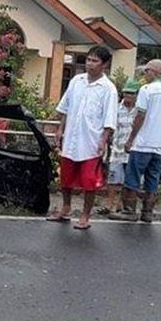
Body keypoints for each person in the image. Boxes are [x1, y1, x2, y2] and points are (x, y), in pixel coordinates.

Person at [46, 46, 118, 230]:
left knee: (89, 182)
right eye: (88, 60)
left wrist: (103, 139)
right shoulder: (76, 81)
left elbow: (110, 118)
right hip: (72, 137)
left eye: (95, 61)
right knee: (65, 178)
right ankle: (66, 207)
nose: (90, 64)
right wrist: (60, 129)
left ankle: (85, 215)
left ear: (104, 65)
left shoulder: (108, 89)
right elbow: (66, 108)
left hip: (91, 141)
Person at [110, 59, 161, 223]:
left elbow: (140, 116)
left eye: (147, 71)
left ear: (154, 72)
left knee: (132, 176)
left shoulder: (147, 90)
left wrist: (130, 139)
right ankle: (147, 211)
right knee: (153, 178)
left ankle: (129, 210)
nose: (145, 75)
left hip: (143, 142)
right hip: (160, 144)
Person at [99, 78, 140, 214]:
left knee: (128, 179)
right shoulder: (116, 108)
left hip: (133, 149)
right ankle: (109, 203)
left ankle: (122, 204)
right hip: (117, 148)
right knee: (113, 178)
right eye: (126, 93)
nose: (128, 96)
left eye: (131, 93)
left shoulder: (139, 111)